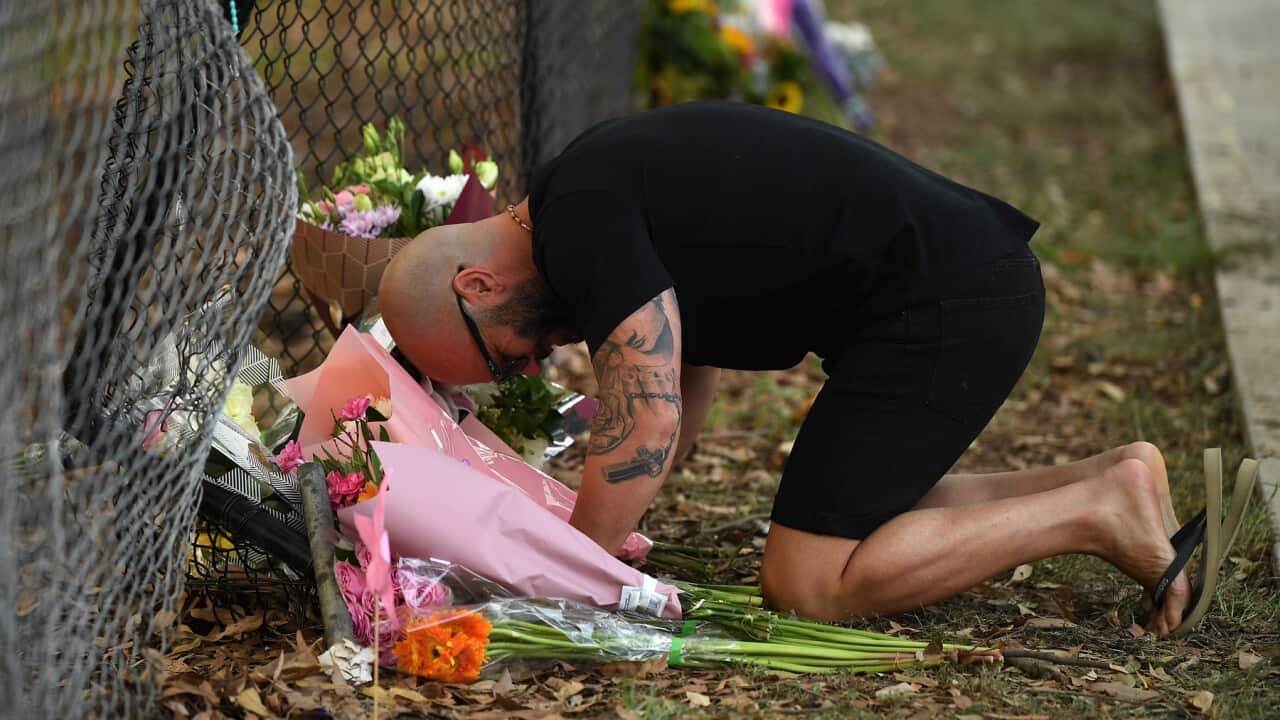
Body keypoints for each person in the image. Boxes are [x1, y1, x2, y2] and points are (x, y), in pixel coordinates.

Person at [379, 101, 1192, 635]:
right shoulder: (581, 193)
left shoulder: (579, 226)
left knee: (808, 580)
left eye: (498, 357)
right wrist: (617, 521)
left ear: (477, 285)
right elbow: (680, 372)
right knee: (859, 527)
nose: (523, 369)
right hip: (954, 282)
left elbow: (647, 415)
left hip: (946, 304)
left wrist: (555, 574)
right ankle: (1116, 479)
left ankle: (1093, 517)